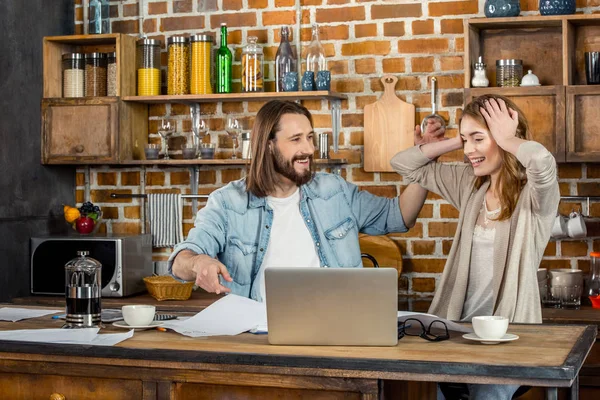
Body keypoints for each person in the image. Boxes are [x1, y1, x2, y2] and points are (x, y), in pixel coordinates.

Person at [169, 100, 444, 302]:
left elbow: (400, 216)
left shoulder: (334, 190)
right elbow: (180, 260)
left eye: (310, 138)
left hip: (337, 330)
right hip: (255, 335)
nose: (309, 149)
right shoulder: (227, 203)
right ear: (268, 145)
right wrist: (198, 263)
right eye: (297, 139)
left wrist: (424, 159)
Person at [391, 95, 560, 400]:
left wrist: (508, 137)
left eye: (478, 139)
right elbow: (404, 164)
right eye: (465, 140)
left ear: (505, 139)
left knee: (488, 391)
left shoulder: (533, 198)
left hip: (509, 339)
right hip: (457, 333)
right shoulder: (470, 185)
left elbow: (542, 163)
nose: (469, 150)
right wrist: (454, 140)